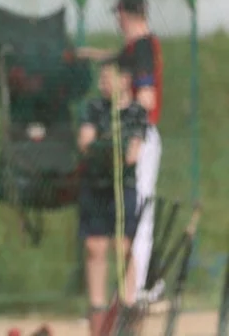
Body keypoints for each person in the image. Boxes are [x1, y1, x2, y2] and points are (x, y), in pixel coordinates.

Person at [78, 0, 163, 303]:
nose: (117, 19)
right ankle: (132, 286)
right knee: (132, 212)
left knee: (137, 211)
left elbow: (146, 95)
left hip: (139, 137)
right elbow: (118, 60)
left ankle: (137, 286)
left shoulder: (141, 47)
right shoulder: (136, 47)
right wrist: (93, 55)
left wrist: (130, 124)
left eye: (119, 14)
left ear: (127, 14)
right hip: (133, 134)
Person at [77, 63, 148, 336]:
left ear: (125, 80)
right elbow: (86, 143)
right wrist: (105, 149)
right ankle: (98, 315)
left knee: (123, 247)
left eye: (108, 78)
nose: (101, 84)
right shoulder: (93, 108)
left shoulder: (136, 113)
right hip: (95, 186)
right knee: (95, 247)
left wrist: (111, 149)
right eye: (101, 79)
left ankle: (127, 308)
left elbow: (131, 154)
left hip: (122, 187)